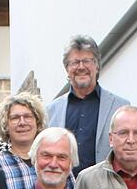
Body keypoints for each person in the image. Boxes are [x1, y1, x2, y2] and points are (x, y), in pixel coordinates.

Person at [46, 34, 129, 176]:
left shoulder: (120, 107)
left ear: (97, 65)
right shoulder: (51, 111)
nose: (81, 67)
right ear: (67, 68)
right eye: (75, 62)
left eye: (86, 61)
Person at [0, 92, 48, 189]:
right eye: (15, 118)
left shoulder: (53, 160)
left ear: (37, 122)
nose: (22, 123)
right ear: (5, 125)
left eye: (28, 116)